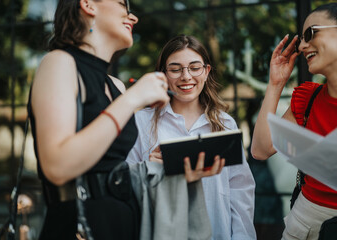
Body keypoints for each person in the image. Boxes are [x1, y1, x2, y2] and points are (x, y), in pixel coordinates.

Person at [29, 1, 223, 239]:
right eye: (123, 4)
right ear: (88, 4)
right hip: (80, 227)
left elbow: (110, 173)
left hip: (124, 225)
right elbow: (57, 167)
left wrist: (164, 170)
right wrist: (133, 99)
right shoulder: (59, 62)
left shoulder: (116, 86)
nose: (133, 18)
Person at [126, 35, 256, 240]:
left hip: (218, 231)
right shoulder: (140, 123)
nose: (186, 76)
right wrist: (149, 169)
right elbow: (125, 185)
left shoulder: (225, 124)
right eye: (175, 69)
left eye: (194, 67)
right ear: (163, 75)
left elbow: (241, 190)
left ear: (206, 71)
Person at [251, 3, 337, 240]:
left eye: (310, 33)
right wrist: (275, 83)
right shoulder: (306, 97)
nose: (301, 45)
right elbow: (260, 150)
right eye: (301, 38)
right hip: (305, 222)